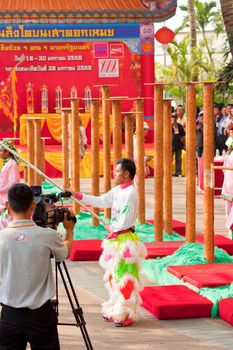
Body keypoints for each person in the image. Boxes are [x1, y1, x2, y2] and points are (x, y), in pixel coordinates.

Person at [0, 183, 75, 349]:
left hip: (9, 314)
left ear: (8, 206)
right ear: (33, 205)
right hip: (40, 314)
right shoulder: (47, 235)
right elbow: (64, 254)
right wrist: (70, 231)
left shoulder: (1, 237)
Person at [74, 158, 147, 327]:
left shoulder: (130, 193)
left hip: (125, 239)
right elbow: (102, 201)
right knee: (115, 275)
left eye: (117, 172)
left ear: (127, 174)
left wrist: (111, 227)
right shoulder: (118, 190)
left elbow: (126, 220)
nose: (114, 174)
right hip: (116, 239)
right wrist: (78, 195)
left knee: (125, 276)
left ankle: (126, 312)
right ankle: (117, 308)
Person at [0, 139, 20, 212]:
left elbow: (12, 183)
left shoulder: (12, 163)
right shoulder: (8, 162)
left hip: (7, 194)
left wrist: (1, 188)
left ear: (7, 152)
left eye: (0, 151)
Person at [222, 127, 233, 239]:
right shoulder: (229, 151)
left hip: (230, 182)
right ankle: (230, 228)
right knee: (229, 207)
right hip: (229, 182)